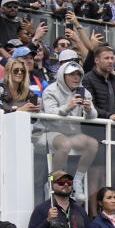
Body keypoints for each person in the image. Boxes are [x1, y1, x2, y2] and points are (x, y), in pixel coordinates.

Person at [40, 61, 99, 202]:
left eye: (78, 74)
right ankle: (52, 181)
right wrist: (68, 107)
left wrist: (88, 110)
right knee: (65, 143)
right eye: (71, 74)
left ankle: (77, 181)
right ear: (62, 76)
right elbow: (50, 115)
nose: (76, 78)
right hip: (48, 131)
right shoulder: (50, 90)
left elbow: (93, 116)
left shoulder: (84, 91)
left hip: (72, 132)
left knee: (93, 144)